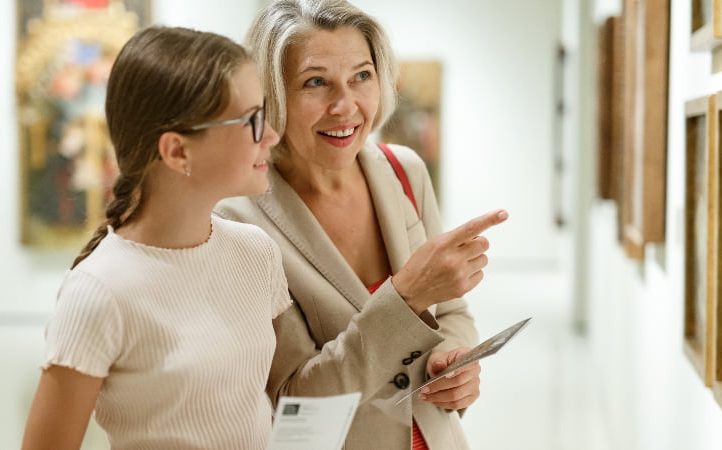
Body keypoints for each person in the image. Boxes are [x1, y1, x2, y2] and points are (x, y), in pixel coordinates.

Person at [215, 1, 508, 448]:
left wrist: (455, 363)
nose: (345, 105)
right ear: (271, 92)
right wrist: (405, 297)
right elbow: (296, 398)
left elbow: (450, 311)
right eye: (316, 82)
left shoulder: (403, 171)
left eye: (361, 76)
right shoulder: (239, 220)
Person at [22, 25, 289, 450]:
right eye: (253, 120)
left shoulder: (257, 253)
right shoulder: (97, 292)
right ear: (178, 151)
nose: (272, 135)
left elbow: (260, 406)